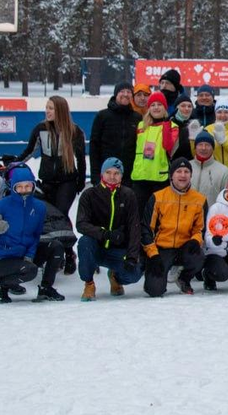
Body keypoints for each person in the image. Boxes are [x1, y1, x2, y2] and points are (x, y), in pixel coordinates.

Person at [75, 158, 143, 301]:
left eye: (116, 173)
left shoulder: (128, 195)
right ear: (102, 173)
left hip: (117, 250)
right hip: (95, 247)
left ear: (122, 175)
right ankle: (89, 283)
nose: (112, 177)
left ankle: (115, 277)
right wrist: (106, 234)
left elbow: (134, 228)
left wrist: (131, 257)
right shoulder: (89, 195)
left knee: (134, 273)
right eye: (108, 172)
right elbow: (81, 224)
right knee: (84, 242)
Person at [142, 157, 207, 297]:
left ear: (190, 175)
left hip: (185, 247)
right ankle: (161, 276)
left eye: (186, 171)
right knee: (154, 290)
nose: (182, 175)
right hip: (162, 249)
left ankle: (184, 278)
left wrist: (195, 241)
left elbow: (200, 229)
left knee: (199, 257)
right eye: (179, 171)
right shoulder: (158, 197)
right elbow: (146, 229)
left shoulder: (199, 200)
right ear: (171, 175)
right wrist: (153, 255)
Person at [16, 95, 87, 220]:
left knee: (60, 214)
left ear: (60, 110)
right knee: (49, 216)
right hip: (47, 182)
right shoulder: (40, 129)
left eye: (51, 108)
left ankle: (67, 237)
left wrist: (80, 182)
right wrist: (13, 164)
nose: (47, 111)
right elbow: (28, 151)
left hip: (67, 182)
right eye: (46, 108)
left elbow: (81, 159)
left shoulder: (74, 131)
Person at [0, 165, 62, 303]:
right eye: (19, 187)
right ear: (13, 187)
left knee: (55, 246)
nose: (24, 190)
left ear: (33, 186)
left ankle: (46, 289)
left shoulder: (39, 207)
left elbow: (36, 235)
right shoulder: (2, 205)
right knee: (30, 271)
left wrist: (30, 255)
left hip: (24, 253)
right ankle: (2, 287)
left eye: (27, 186)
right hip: (4, 257)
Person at [131, 91, 180, 216]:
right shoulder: (141, 126)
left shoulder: (172, 126)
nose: (156, 107)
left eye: (159, 104)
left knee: (157, 215)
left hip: (159, 178)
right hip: (140, 177)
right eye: (153, 105)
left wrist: (166, 125)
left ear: (165, 107)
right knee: (138, 215)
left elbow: (168, 147)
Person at [90, 81, 142, 188]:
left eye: (129, 92)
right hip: (106, 173)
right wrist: (95, 175)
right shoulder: (102, 116)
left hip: (129, 176)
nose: (126, 94)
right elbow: (94, 146)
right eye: (122, 91)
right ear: (116, 94)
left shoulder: (137, 118)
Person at [189, 130, 228, 207]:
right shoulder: (186, 168)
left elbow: (226, 200)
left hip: (211, 216)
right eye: (200, 144)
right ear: (195, 147)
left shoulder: (223, 171)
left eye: (207, 145)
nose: (203, 148)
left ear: (213, 148)